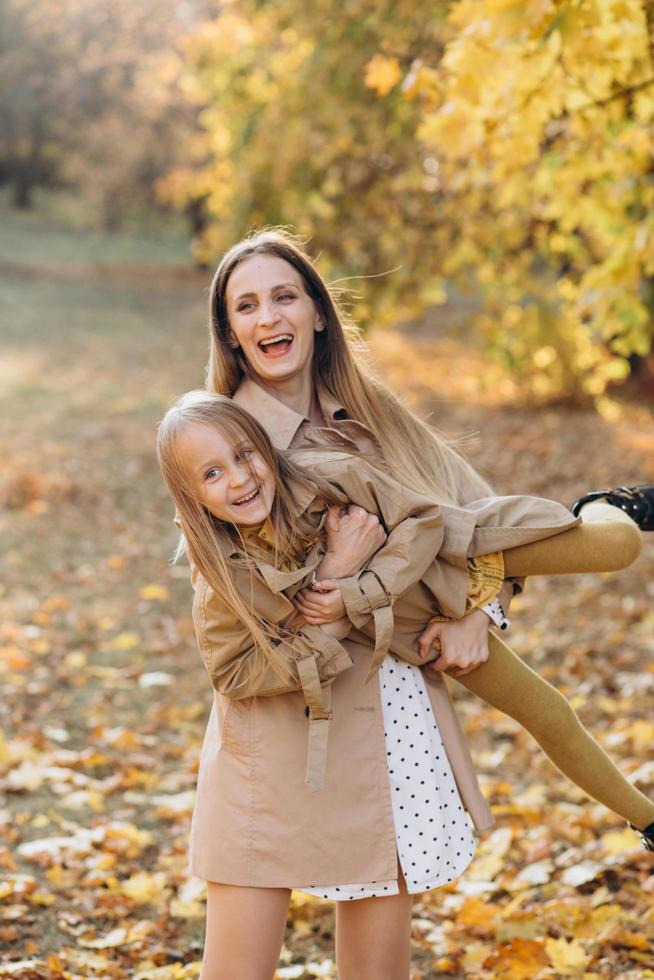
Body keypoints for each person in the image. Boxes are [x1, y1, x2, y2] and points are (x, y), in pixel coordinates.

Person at [179, 227, 653, 979]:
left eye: (283, 296)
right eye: (247, 305)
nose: (268, 317)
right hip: (283, 723)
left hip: (391, 698)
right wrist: (340, 575)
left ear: (317, 313)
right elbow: (233, 598)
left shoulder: (372, 412)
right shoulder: (224, 440)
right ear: (231, 333)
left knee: (378, 963)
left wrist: (479, 614)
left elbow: (475, 515)